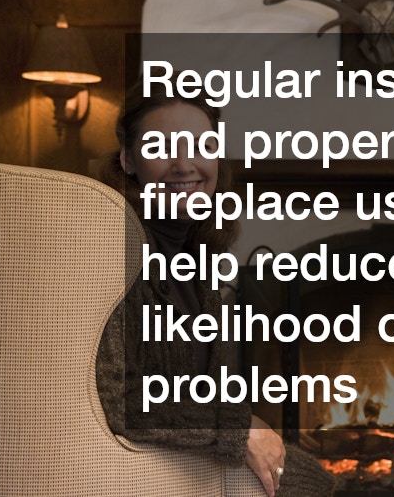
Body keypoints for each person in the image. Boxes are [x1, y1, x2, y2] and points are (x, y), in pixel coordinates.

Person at [96, 74, 334, 497]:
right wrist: (238, 428)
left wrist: (242, 424)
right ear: (129, 160)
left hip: (188, 448)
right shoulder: (113, 247)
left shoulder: (196, 253)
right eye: (161, 148)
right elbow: (118, 398)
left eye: (202, 146)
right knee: (311, 483)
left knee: (316, 479)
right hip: (135, 461)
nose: (185, 165)